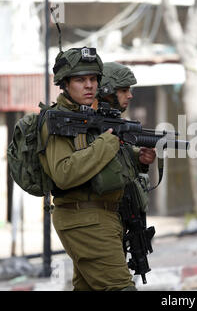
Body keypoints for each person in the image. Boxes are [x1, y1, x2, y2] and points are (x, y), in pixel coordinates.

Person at [38, 47, 150, 291]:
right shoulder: (58, 120)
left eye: (92, 79)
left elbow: (101, 162)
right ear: (65, 84)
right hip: (84, 217)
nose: (89, 85)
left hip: (101, 216)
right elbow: (64, 173)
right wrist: (108, 143)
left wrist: (139, 158)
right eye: (80, 80)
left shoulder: (90, 116)